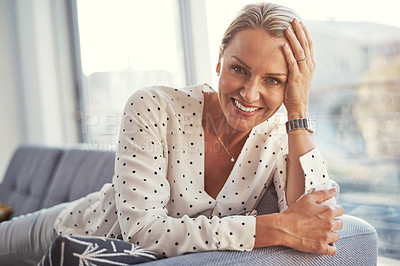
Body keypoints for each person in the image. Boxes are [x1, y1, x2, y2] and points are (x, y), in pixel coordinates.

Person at [0, 2, 344, 265]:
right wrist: (274, 228)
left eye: (273, 80)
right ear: (220, 60)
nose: (250, 93)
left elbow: (315, 221)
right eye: (239, 69)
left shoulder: (281, 136)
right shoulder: (153, 106)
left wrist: (298, 111)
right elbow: (143, 233)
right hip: (76, 230)